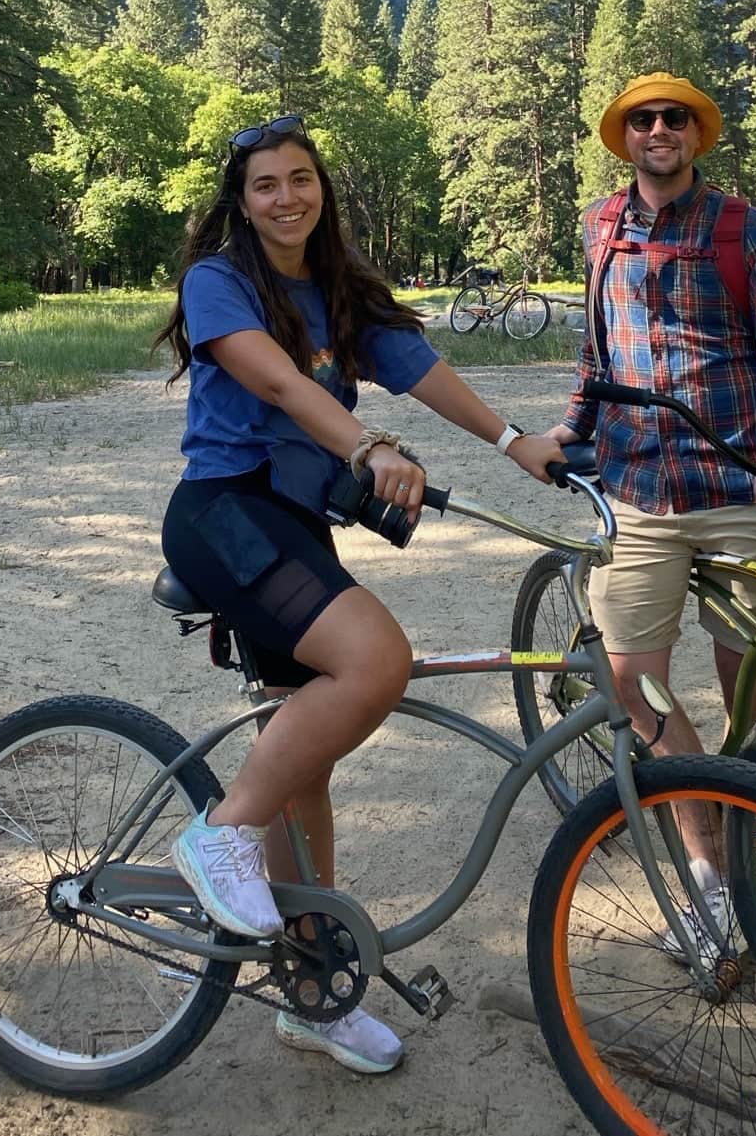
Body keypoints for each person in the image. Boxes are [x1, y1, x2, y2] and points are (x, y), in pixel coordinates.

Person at [154, 114, 557, 1076]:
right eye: (265, 184)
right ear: (240, 199)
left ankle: (312, 990)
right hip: (221, 514)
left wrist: (516, 444)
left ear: (320, 189)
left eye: (301, 178)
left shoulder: (339, 289)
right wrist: (369, 445)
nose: (286, 196)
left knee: (307, 762)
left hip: (291, 525)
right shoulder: (218, 281)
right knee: (380, 659)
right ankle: (219, 836)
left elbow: (421, 371)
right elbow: (290, 389)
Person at [542, 72, 756, 949]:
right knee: (633, 682)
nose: (657, 129)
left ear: (696, 135)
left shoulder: (746, 228)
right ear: (623, 137)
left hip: (734, 483)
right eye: (641, 119)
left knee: (753, 677)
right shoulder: (600, 227)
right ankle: (711, 873)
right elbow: (599, 351)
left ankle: (747, 803)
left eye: (673, 118)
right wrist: (570, 425)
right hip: (636, 487)